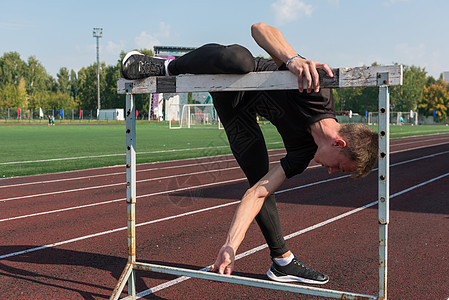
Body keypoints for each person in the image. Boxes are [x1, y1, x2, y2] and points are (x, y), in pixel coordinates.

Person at [121, 22, 378, 285]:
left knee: (259, 175)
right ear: (339, 144)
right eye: (341, 167)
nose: (332, 171)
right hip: (240, 73)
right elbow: (259, 28)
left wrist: (231, 246)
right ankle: (165, 66)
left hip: (234, 108)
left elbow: (257, 193)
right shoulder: (316, 91)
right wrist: (293, 58)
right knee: (239, 59)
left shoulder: (303, 153)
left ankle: (282, 262)